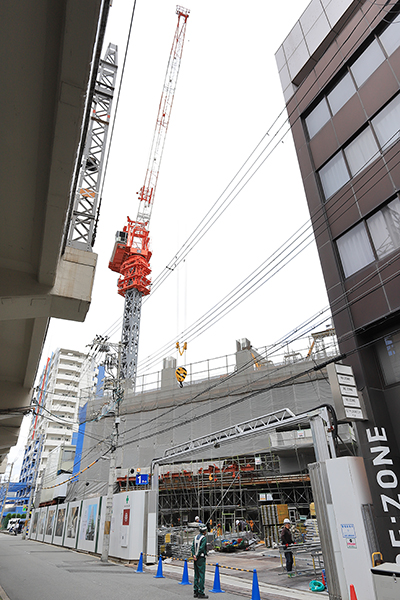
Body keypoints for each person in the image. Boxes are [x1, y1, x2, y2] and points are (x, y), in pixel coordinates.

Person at [192, 524, 208, 598]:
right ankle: (201, 592)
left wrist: (194, 555)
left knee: (196, 574)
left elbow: (192, 547)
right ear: (204, 531)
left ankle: (195, 591)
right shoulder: (203, 538)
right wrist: (197, 555)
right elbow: (201, 548)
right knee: (201, 575)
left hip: (195, 558)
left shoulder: (195, 537)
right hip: (200, 558)